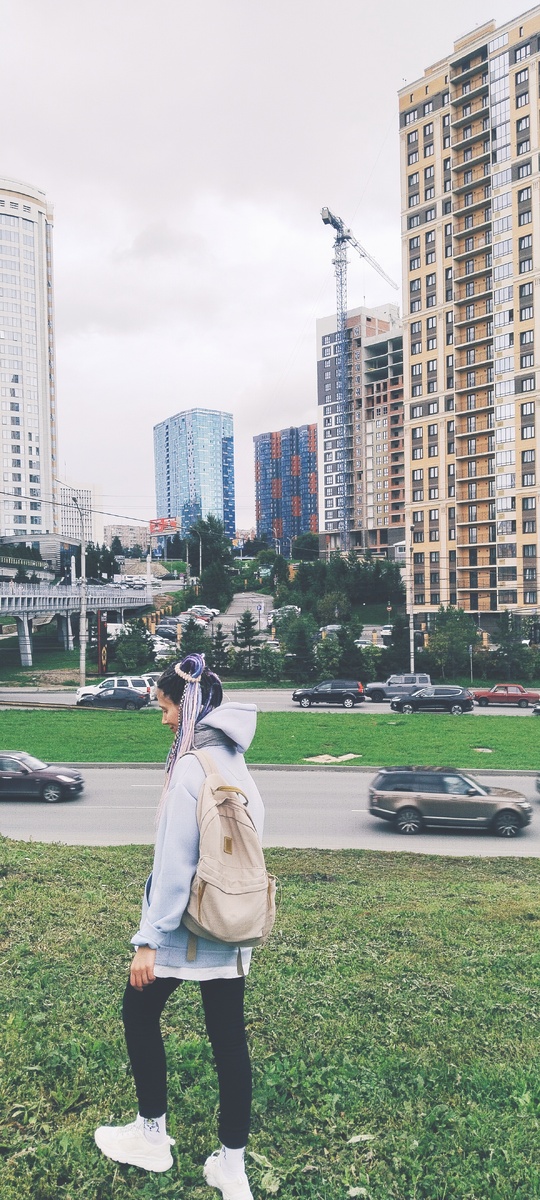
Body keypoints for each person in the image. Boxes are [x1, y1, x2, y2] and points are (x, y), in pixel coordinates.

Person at [94, 652, 264, 1200]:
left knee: (138, 1011)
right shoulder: (236, 761)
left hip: (186, 929)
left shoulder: (192, 766)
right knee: (228, 1041)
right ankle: (231, 1166)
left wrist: (149, 940)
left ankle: (152, 1136)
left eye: (167, 708)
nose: (164, 719)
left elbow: (173, 865)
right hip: (231, 930)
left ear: (189, 706)